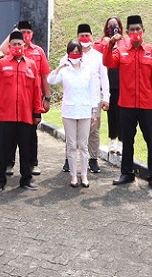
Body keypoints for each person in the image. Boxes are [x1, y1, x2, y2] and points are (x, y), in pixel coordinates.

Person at [104, 15, 152, 192]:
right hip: (127, 105)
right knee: (127, 140)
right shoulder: (121, 50)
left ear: (143, 31)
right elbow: (108, 62)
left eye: (138, 29)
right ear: (128, 32)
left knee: (151, 141)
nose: (135, 32)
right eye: (132, 30)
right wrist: (110, 45)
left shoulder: (151, 51)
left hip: (146, 105)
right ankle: (127, 173)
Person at [0, 31, 43, 192]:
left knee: (26, 149)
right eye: (14, 44)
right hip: (6, 115)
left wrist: (37, 111)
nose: (17, 47)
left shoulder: (31, 64)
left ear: (24, 46)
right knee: (4, 150)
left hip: (25, 115)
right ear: (10, 47)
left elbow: (36, 90)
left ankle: (26, 179)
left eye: (20, 44)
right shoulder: (1, 63)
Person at [0, 21, 51, 176]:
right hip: (13, 102)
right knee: (12, 135)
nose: (26, 35)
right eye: (23, 32)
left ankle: (32, 164)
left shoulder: (38, 51)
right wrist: (12, 34)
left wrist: (46, 98)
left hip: (31, 100)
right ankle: (9, 163)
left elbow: (44, 75)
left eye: (29, 32)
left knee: (30, 134)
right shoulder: (10, 50)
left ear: (32, 34)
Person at [48, 39, 98, 188]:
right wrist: (59, 67)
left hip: (84, 111)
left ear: (81, 54)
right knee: (71, 145)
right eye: (72, 52)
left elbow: (92, 92)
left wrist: (94, 111)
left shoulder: (87, 69)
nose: (75, 55)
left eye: (77, 52)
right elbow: (51, 80)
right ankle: (73, 176)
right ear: (68, 53)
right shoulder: (64, 70)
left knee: (83, 145)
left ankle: (84, 175)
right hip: (69, 111)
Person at [60, 24, 109, 174]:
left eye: (87, 35)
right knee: (72, 132)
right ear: (77, 37)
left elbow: (104, 79)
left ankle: (92, 160)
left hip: (93, 99)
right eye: (81, 36)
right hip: (74, 100)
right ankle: (69, 159)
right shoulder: (67, 58)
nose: (84, 38)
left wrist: (106, 98)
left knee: (93, 131)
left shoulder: (99, 57)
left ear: (92, 37)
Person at [94, 17, 123, 155]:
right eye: (111, 25)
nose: (113, 28)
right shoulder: (100, 42)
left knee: (122, 114)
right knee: (112, 114)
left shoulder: (125, 42)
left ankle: (122, 142)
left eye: (116, 25)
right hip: (108, 83)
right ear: (106, 27)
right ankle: (112, 140)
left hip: (123, 83)